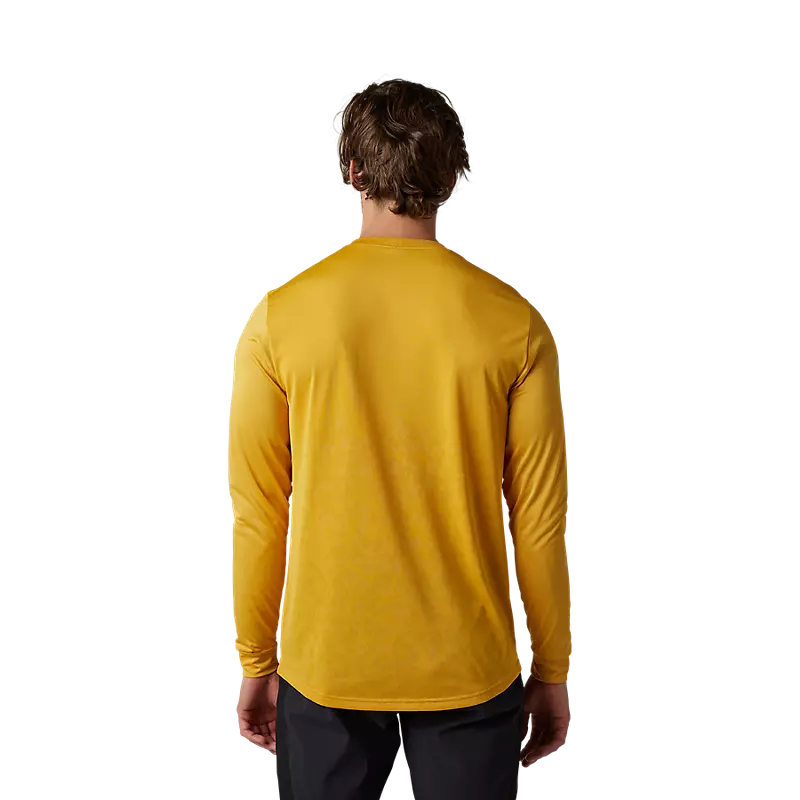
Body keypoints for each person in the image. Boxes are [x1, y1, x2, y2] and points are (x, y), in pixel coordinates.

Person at [228, 71, 572, 799]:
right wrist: (553, 669)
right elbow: (539, 521)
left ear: (353, 171)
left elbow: (259, 513)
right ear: (450, 175)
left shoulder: (280, 319)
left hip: (326, 667)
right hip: (470, 670)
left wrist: (257, 661)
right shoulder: (514, 323)